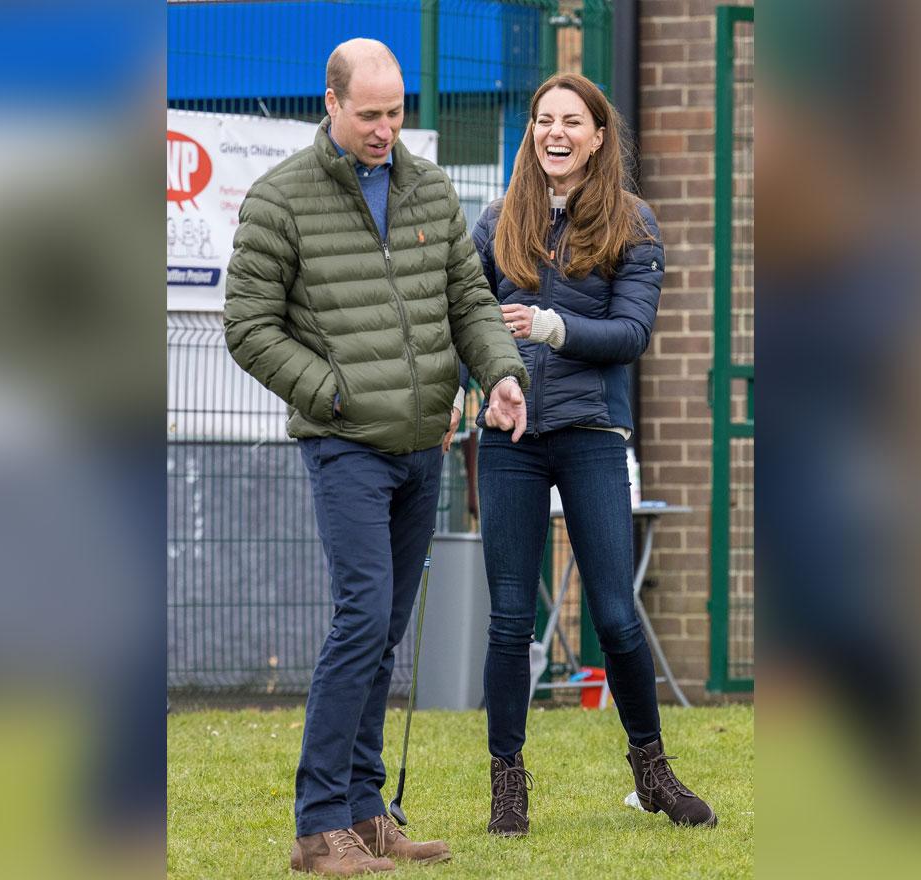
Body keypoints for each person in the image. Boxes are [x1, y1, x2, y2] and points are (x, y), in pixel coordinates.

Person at [223, 38, 530, 876]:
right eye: (370, 114)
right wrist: (332, 395)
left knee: (384, 629)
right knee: (363, 617)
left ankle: (366, 813)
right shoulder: (279, 198)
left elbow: (469, 299)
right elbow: (247, 327)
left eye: (396, 114)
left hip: (421, 446)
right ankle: (318, 826)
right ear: (331, 104)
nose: (385, 130)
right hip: (344, 446)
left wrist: (500, 373)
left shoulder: (428, 185)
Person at [466, 73, 717, 836]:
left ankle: (653, 773)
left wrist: (551, 328)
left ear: (599, 135)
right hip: (509, 440)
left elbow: (631, 337)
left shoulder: (634, 224)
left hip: (591, 438)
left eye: (572, 121)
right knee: (510, 620)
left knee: (614, 612)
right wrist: (475, 384)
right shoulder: (493, 224)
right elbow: (468, 321)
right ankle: (508, 786)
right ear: (532, 133)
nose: (555, 133)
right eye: (544, 120)